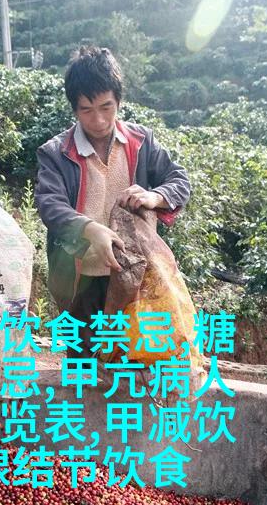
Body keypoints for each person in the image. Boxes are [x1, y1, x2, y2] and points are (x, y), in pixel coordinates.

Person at [34, 46, 191, 352]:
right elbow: (49, 204)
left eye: (106, 107)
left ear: (118, 100)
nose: (98, 120)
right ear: (74, 109)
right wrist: (90, 230)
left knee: (135, 358)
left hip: (135, 275)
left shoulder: (141, 142)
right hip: (81, 280)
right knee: (84, 361)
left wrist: (154, 196)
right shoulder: (55, 153)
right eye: (87, 110)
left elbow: (179, 181)